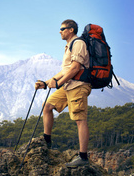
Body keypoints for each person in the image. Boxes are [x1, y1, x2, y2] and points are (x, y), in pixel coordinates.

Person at [35, 19, 92, 168]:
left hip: (78, 86)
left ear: (71, 30)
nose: (60, 31)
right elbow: (65, 70)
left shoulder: (78, 43)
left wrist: (58, 83)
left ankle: (83, 157)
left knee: (80, 120)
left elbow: (75, 68)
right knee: (47, 106)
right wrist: (47, 83)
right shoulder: (69, 46)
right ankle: (47, 141)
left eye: (62, 28)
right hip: (68, 86)